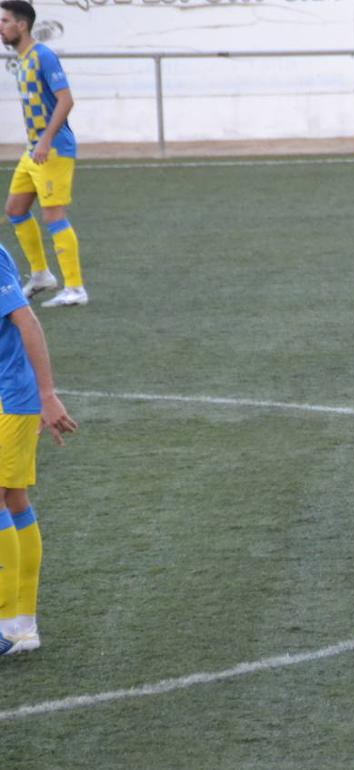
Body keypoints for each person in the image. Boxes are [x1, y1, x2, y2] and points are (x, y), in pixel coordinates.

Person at [0, 242, 78, 656]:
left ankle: (10, 626)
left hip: (11, 394)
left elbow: (26, 320)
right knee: (12, 498)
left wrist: (47, 395)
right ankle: (21, 626)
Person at [0, 1, 87, 308]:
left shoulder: (43, 56)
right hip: (34, 151)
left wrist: (46, 140)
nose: (1, 26)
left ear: (21, 25)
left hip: (53, 150)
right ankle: (41, 276)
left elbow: (66, 100)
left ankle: (75, 288)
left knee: (53, 215)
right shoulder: (23, 59)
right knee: (15, 209)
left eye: (5, 20)